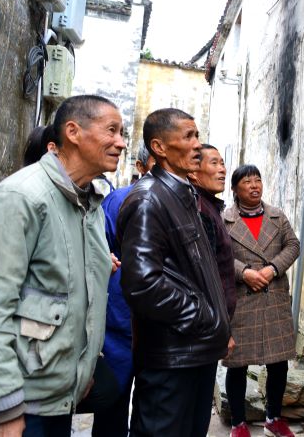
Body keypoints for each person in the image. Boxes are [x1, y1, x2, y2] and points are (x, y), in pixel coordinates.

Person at [0, 95, 126, 437]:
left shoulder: (88, 203)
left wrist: (82, 370)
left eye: (122, 133)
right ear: (73, 132)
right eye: (112, 130)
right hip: (20, 407)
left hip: (59, 399)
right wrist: (3, 407)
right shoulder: (22, 197)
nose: (120, 142)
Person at [118, 108, 231, 437]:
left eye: (197, 135)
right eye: (188, 137)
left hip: (195, 353)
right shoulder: (149, 199)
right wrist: (205, 317)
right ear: (160, 147)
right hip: (172, 356)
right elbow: (143, 284)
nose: (197, 145)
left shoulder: (184, 193)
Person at [221, 164, 301, 437]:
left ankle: (273, 418)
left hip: (274, 297)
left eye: (257, 180)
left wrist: (272, 269)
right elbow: (218, 254)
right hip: (243, 300)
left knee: (278, 362)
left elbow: (293, 245)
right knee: (237, 364)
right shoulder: (225, 220)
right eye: (247, 182)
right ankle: (238, 423)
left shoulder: (277, 216)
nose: (254, 186)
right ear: (235, 189)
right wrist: (244, 273)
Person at [93, 143, 155, 437]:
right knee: (113, 402)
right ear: (141, 167)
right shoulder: (119, 199)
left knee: (152, 406)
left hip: (158, 323)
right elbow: (100, 251)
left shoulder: (182, 203)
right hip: (120, 318)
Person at [188, 144, 237, 320]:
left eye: (222, 163)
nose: (222, 169)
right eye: (214, 163)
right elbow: (202, 274)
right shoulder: (199, 208)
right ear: (193, 172)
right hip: (209, 318)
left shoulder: (209, 205)